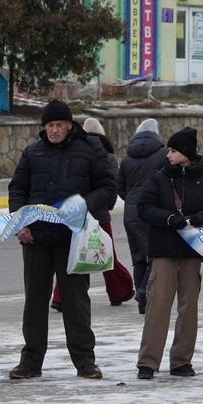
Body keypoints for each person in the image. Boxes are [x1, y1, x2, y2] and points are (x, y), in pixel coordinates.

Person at [7, 99, 116, 380]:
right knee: (34, 302)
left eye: (59, 125)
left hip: (74, 240)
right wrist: (20, 223)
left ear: (70, 125)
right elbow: (17, 189)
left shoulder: (90, 150)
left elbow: (107, 189)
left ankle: (85, 362)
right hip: (36, 239)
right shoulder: (33, 152)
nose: (54, 130)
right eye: (49, 125)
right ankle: (30, 362)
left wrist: (82, 205)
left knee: (76, 303)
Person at [134, 127, 203, 380]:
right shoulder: (159, 178)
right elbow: (144, 208)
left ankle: (182, 361)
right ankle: (148, 363)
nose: (168, 155)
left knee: (189, 308)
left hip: (192, 253)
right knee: (157, 306)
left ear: (186, 153)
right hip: (163, 252)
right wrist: (169, 219)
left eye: (173, 151)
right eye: (169, 150)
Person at [51, 118, 134, 311]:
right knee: (105, 254)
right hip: (99, 215)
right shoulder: (109, 157)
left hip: (75, 214)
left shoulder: (74, 153)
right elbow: (111, 185)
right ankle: (118, 291)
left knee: (73, 255)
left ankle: (60, 297)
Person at [116, 117, 167, 315]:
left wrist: (131, 200)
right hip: (152, 212)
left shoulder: (127, 156)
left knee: (138, 257)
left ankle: (142, 302)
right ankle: (144, 290)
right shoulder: (163, 153)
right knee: (156, 254)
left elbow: (120, 187)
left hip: (130, 213)